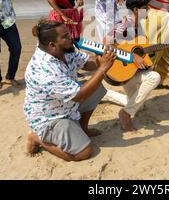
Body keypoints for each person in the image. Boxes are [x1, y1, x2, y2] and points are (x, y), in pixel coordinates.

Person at [24, 19, 115, 161]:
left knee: (97, 88)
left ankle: (83, 128)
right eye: (66, 36)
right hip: (50, 118)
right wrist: (103, 68)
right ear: (52, 45)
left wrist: (101, 58)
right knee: (84, 153)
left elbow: (86, 63)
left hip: (65, 105)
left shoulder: (63, 48)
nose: (71, 38)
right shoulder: (45, 71)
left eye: (68, 33)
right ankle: (37, 138)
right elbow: (79, 96)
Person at [102, 0, 161, 132]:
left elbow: (140, 48)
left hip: (130, 71)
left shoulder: (138, 25)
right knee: (154, 77)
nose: (149, 10)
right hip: (121, 70)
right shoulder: (125, 24)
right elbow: (106, 44)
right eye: (145, 8)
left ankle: (107, 94)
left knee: (138, 104)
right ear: (136, 10)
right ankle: (126, 114)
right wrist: (131, 56)